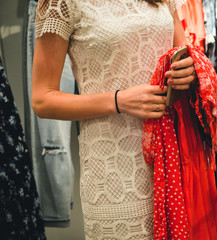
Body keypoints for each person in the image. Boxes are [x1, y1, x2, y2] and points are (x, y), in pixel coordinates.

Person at [32, 0, 197, 239]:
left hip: (172, 160)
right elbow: (42, 99)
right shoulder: (60, 3)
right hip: (114, 172)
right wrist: (118, 101)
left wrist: (188, 69)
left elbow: (182, 51)